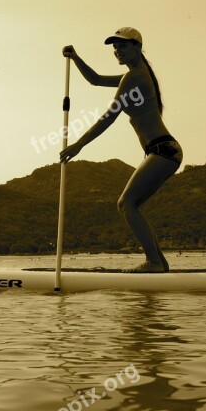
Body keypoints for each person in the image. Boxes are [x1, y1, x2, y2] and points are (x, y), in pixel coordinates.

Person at [59, 27, 183, 273]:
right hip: (164, 151)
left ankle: (154, 262)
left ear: (137, 47)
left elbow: (108, 117)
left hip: (162, 150)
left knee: (126, 203)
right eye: (115, 47)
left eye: (123, 46)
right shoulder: (136, 75)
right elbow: (95, 80)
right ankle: (160, 263)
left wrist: (78, 144)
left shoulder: (134, 77)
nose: (117, 51)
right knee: (130, 205)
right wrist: (75, 58)